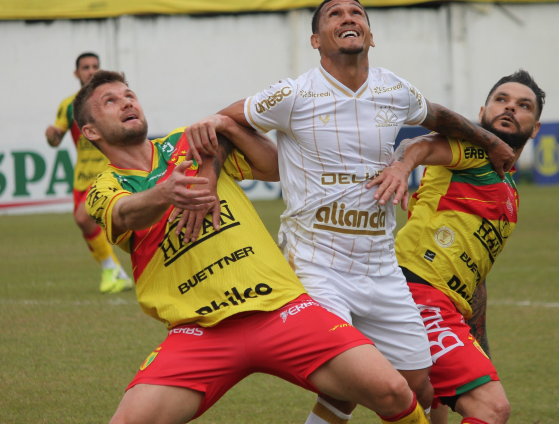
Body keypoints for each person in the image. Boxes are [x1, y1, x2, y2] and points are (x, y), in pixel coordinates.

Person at [184, 0, 516, 423]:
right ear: (315, 40)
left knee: (417, 384)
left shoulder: (393, 89)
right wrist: (207, 178)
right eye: (334, 14)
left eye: (357, 13)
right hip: (316, 264)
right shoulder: (293, 93)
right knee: (361, 378)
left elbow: (439, 117)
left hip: (380, 267)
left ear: (370, 36)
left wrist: (491, 142)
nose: (348, 18)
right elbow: (220, 123)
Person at [74, 70, 433, 424]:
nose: (126, 103)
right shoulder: (104, 187)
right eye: (110, 101)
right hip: (199, 330)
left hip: (280, 310)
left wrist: (228, 128)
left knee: (394, 392)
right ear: (90, 130)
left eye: (129, 95)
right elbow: (123, 216)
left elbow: (276, 166)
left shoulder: (188, 141)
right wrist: (163, 194)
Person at [366, 70, 544, 424]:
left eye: (524, 105)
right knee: (491, 409)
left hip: (446, 302)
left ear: (535, 128)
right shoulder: (472, 150)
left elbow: (476, 276)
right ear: (481, 113)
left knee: (422, 396)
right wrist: (402, 167)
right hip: (418, 288)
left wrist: (479, 344)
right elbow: (422, 145)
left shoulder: (509, 189)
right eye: (501, 100)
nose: (510, 108)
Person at [44, 52, 133, 294]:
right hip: (81, 177)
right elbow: (56, 138)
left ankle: (114, 269)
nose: (91, 71)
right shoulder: (69, 105)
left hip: (108, 171)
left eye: (95, 66)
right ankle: (115, 271)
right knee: (87, 227)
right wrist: (51, 135)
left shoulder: (110, 100)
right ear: (77, 73)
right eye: (85, 67)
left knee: (84, 218)